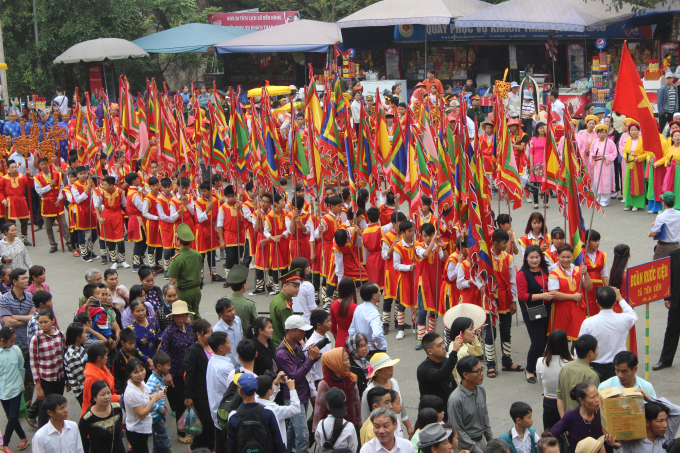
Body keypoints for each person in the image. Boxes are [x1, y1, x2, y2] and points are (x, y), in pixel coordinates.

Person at [578, 286, 638, 380]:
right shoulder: (624, 319)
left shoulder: (588, 323)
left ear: (597, 302)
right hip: (618, 369)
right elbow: (633, 314)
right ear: (615, 302)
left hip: (595, 369)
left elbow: (579, 347)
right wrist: (620, 298)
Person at [158, 300, 196, 444]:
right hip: (175, 374)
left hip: (190, 373)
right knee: (180, 404)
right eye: (177, 316)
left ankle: (193, 429)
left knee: (192, 402)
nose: (180, 319)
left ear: (187, 315)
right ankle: (181, 432)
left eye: (182, 315)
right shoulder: (169, 332)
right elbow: (163, 352)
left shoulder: (192, 328)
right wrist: (167, 373)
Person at [517, 245, 554, 384]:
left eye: (537, 257)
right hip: (532, 312)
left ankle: (539, 366)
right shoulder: (523, 274)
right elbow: (522, 296)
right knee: (537, 342)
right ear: (526, 258)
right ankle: (529, 370)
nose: (534, 260)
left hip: (548, 309)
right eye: (531, 257)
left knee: (545, 342)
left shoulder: (545, 270)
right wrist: (543, 295)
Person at [226, 373, 286, 453]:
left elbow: (231, 446)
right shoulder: (269, 412)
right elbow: (278, 443)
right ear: (256, 388)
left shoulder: (233, 416)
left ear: (240, 391)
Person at [605, 390, 680, 453]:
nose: (665, 425)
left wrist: (650, 398)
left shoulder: (668, 432)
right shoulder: (631, 439)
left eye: (666, 420)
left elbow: (677, 411)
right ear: (647, 422)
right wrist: (618, 447)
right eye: (660, 421)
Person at [548, 244, 593, 340]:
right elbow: (553, 293)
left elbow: (589, 287)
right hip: (562, 311)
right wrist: (573, 297)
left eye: (568, 257)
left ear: (572, 256)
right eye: (563, 257)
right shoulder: (554, 273)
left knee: (580, 338)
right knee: (561, 339)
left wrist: (586, 274)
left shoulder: (579, 270)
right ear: (558, 257)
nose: (566, 260)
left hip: (578, 309)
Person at [447, 356, 492, 453]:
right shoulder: (455, 399)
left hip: (481, 442)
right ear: (466, 375)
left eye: (482, 369)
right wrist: (476, 450)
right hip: (465, 447)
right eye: (478, 371)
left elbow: (485, 417)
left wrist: (492, 441)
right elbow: (458, 430)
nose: (482, 374)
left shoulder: (481, 390)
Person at [29, 309, 65, 428]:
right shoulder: (36, 339)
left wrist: (67, 379)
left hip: (59, 378)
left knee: (58, 407)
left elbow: (63, 357)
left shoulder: (60, 335)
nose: (43, 325)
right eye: (40, 322)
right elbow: (33, 363)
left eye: (46, 322)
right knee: (44, 409)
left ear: (53, 321)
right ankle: (43, 435)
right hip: (45, 380)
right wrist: (38, 387)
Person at [183, 318, 215, 451]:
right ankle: (199, 445)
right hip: (200, 392)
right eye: (207, 333)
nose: (210, 335)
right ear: (198, 335)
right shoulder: (193, 350)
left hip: (213, 390)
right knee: (207, 421)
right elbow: (189, 375)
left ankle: (205, 445)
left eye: (211, 331)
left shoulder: (213, 346)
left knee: (212, 420)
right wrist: (188, 396)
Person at [313, 347, 361, 432]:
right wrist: (316, 429)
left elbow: (356, 400)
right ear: (336, 362)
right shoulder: (325, 383)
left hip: (353, 425)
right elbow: (319, 407)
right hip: (333, 429)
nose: (349, 362)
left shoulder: (351, 378)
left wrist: (359, 420)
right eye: (345, 360)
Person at [123, 358, 165, 453]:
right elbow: (141, 415)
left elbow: (144, 396)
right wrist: (153, 400)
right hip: (136, 431)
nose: (140, 374)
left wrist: (152, 396)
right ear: (130, 374)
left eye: (142, 370)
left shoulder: (141, 382)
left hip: (142, 429)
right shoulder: (131, 393)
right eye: (136, 372)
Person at [551, 382, 605, 453]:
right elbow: (554, 433)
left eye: (597, 395)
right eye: (593, 397)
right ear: (581, 400)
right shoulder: (571, 416)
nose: (597, 400)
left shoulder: (603, 414)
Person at [417, 332, 463, 414]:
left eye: (443, 343)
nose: (444, 347)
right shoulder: (423, 369)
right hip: (433, 414)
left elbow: (452, 384)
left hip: (449, 410)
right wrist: (454, 351)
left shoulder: (444, 360)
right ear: (430, 351)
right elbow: (441, 375)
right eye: (439, 345)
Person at [536, 329, 572, 431]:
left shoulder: (540, 361)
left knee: (549, 434)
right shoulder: (570, 363)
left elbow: (540, 381)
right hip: (566, 402)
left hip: (548, 401)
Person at [0, 326, 29, 451]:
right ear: (2, 340)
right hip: (2, 392)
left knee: (12, 417)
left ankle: (5, 444)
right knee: (11, 417)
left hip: (16, 390)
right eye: (11, 341)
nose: (14, 343)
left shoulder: (16, 350)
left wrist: (21, 386)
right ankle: (23, 438)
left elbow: (21, 368)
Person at [556, 334, 600, 416]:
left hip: (567, 417)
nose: (598, 351)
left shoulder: (566, 367)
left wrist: (564, 420)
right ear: (590, 353)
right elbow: (594, 404)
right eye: (597, 349)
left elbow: (559, 396)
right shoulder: (592, 375)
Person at [34, 157, 70, 253]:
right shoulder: (37, 177)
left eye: (46, 163)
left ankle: (69, 243)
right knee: (48, 227)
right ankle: (53, 244)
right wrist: (49, 186)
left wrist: (59, 198)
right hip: (46, 203)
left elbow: (62, 188)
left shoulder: (56, 174)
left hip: (57, 202)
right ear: (39, 166)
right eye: (42, 164)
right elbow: (39, 191)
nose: (44, 166)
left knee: (63, 225)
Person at [78, 380, 125, 453]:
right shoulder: (87, 418)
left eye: (108, 393)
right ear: (94, 397)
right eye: (102, 394)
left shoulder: (117, 408)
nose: (107, 397)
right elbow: (82, 442)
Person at [167, 224, 203, 318]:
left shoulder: (177, 259)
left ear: (178, 241)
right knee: (196, 314)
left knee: (188, 317)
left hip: (184, 293)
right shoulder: (197, 255)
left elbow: (172, 281)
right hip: (196, 290)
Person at [206, 332, 234, 453]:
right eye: (228, 342)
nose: (230, 344)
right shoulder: (225, 368)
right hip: (225, 413)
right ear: (221, 347)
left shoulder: (213, 360)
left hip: (216, 411)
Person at [255, 374, 300, 448]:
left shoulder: (255, 400)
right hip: (276, 446)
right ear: (269, 391)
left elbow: (268, 397)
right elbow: (295, 409)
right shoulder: (274, 410)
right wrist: (292, 389)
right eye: (272, 385)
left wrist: (275, 383)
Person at [315, 387, 359, 453]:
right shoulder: (349, 426)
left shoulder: (321, 424)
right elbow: (353, 449)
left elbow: (320, 446)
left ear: (327, 405)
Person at [144, 352, 172, 453]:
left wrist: (162, 404)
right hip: (155, 416)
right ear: (159, 366)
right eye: (167, 365)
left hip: (158, 416)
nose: (169, 367)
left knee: (157, 443)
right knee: (165, 443)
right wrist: (159, 408)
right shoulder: (153, 380)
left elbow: (158, 397)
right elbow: (147, 399)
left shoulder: (160, 377)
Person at [0, 161, 34, 246]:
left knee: (24, 220)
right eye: (12, 167)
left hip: (21, 200)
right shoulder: (4, 178)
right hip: (10, 201)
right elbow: (0, 191)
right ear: (8, 169)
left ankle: (24, 238)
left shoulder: (23, 177)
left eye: (15, 167)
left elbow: (30, 185)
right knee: (9, 222)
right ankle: (10, 239)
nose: (14, 169)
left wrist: (30, 176)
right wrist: (3, 200)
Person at [349, 281, 387, 353]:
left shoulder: (358, 308)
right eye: (379, 291)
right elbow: (377, 334)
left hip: (361, 349)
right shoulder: (374, 313)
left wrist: (358, 344)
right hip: (374, 350)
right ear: (374, 296)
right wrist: (380, 346)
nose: (380, 293)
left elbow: (352, 330)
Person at [448, 314, 485, 385]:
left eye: (474, 329)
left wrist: (474, 338)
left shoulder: (460, 344)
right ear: (461, 332)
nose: (474, 331)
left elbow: (479, 352)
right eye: (471, 329)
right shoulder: (461, 351)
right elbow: (460, 378)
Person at [269, 269, 301, 346]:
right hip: (284, 346)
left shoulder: (278, 298)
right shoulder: (284, 306)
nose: (298, 289)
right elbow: (291, 331)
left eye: (298, 286)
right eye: (295, 286)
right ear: (285, 286)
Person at [623, 121, 649, 212]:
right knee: (629, 183)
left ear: (638, 131)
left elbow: (646, 153)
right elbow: (625, 151)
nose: (633, 132)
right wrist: (625, 158)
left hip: (638, 164)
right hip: (629, 163)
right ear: (629, 131)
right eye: (631, 130)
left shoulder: (642, 140)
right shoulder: (628, 140)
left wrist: (639, 158)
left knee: (638, 183)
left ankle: (637, 204)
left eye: (635, 130)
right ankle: (629, 203)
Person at [582, 230, 609, 316]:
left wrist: (607, 289)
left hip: (598, 289)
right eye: (594, 240)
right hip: (585, 287)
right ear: (586, 241)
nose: (597, 243)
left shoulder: (602, 254)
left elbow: (604, 274)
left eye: (598, 240)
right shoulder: (579, 254)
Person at [649, 192, 680, 259]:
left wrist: (649, 234)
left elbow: (654, 233)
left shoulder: (661, 216)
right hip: (677, 246)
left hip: (663, 248)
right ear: (674, 201)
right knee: (676, 268)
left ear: (663, 203)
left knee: (658, 266)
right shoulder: (679, 214)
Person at [64, 323, 88, 406]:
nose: (86, 335)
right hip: (83, 391)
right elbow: (82, 377)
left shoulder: (80, 348)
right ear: (77, 337)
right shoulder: (72, 356)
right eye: (84, 333)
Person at [330, 277, 357, 348]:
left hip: (339, 340)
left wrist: (337, 339)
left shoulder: (334, 304)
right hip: (353, 342)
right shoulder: (355, 307)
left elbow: (333, 327)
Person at [289, 257, 317, 325]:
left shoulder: (288, 283)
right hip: (306, 321)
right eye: (307, 266)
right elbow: (312, 307)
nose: (309, 267)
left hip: (291, 320)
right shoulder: (308, 286)